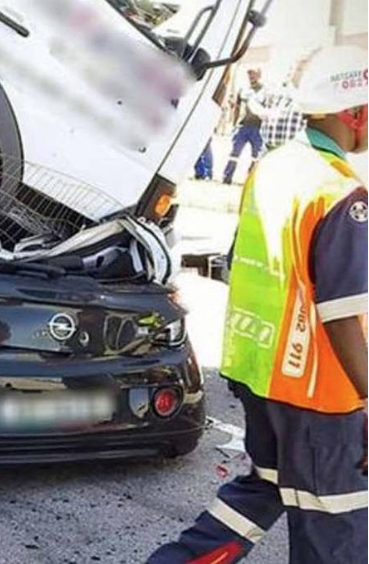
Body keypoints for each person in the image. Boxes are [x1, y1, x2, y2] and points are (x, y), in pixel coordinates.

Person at [148, 45, 367, 564]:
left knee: (265, 489)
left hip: (260, 377)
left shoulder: (274, 167)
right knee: (334, 526)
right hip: (320, 394)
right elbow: (339, 312)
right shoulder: (342, 192)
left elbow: (238, 260)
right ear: (354, 112)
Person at [222, 68, 266, 185]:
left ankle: (250, 181)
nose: (251, 76)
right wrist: (233, 123)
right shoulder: (243, 90)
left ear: (259, 75)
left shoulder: (264, 91)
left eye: (253, 74)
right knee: (234, 153)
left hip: (257, 128)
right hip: (242, 127)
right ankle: (227, 178)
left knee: (256, 156)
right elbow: (236, 107)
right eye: (249, 74)